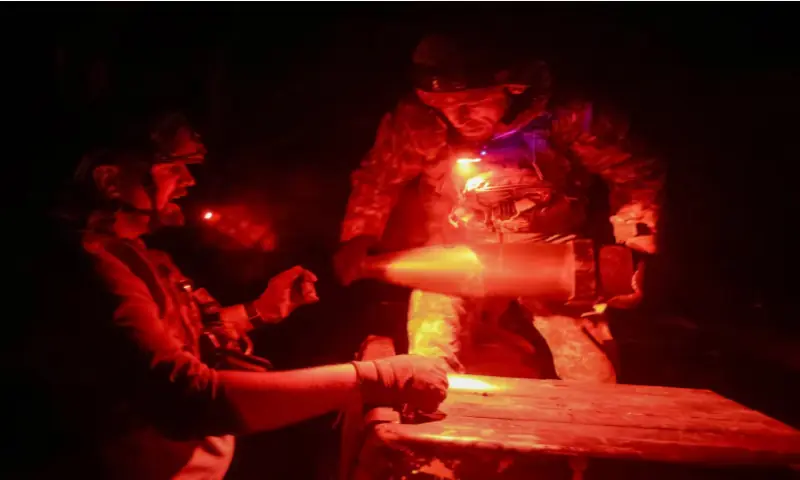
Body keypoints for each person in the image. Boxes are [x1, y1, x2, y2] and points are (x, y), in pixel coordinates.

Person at [22, 111, 448, 479]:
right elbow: (186, 399)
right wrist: (376, 378)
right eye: (173, 168)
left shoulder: (129, 250)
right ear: (110, 180)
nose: (188, 180)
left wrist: (257, 312)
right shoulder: (92, 266)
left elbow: (165, 342)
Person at [334, 34, 662, 383]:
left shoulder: (568, 117)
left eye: (473, 102)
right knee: (430, 350)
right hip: (452, 257)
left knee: (591, 369)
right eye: (442, 105)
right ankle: (436, 426)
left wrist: (633, 246)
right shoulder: (419, 124)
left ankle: (597, 428)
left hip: (556, 258)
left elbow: (634, 171)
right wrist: (358, 237)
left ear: (514, 88)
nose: (457, 117)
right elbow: (379, 177)